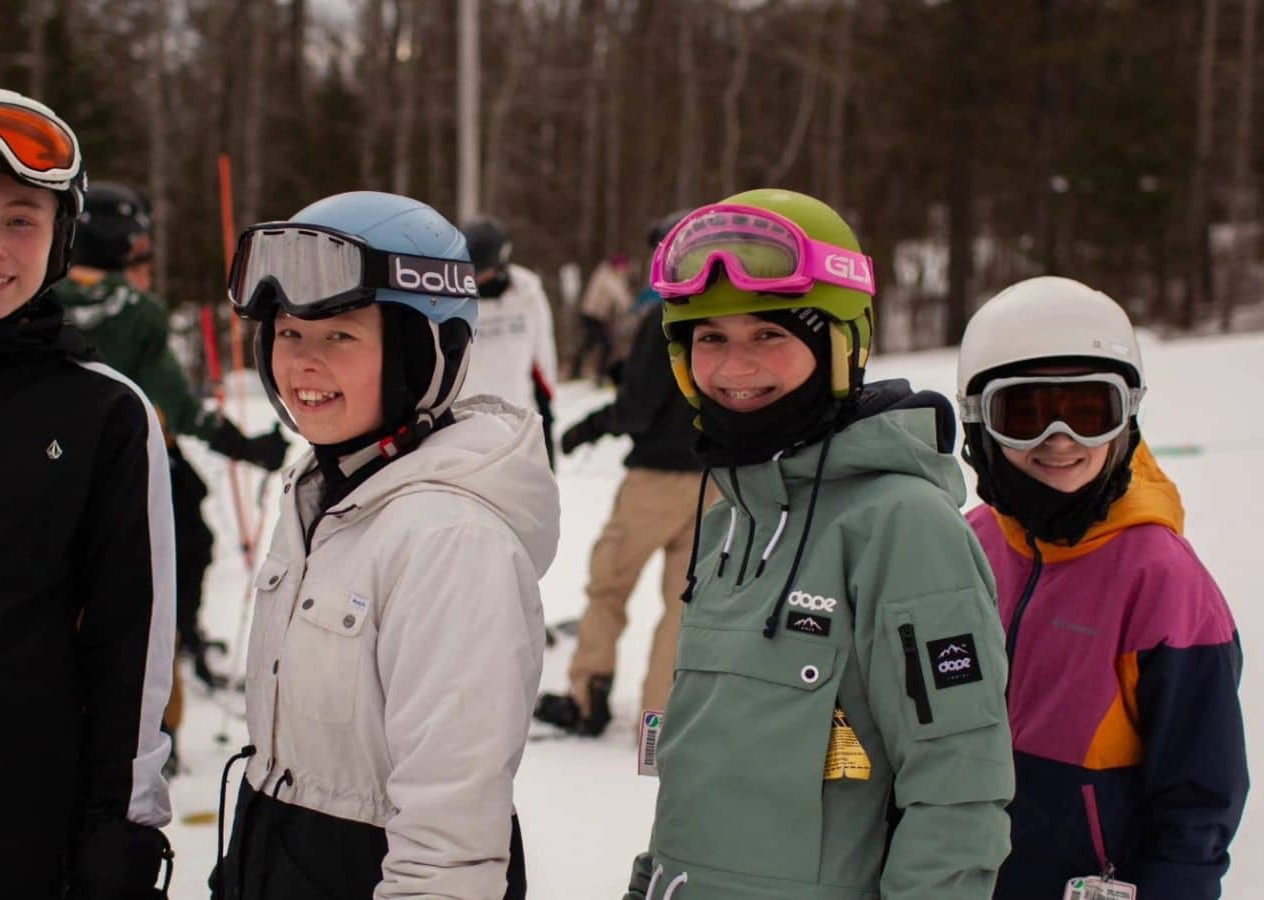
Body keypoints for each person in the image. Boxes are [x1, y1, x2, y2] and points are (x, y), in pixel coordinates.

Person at [624, 189, 1014, 900]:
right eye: (711, 339)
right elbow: (699, 765)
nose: (734, 369)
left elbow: (959, 793)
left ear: (840, 346)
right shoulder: (728, 524)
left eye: (768, 335)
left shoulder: (904, 527)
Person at [213, 191, 559, 899]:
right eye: (288, 334)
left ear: (420, 353)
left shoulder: (451, 542)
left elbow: (449, 843)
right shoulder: (326, 491)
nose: (303, 363)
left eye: (341, 336)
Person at [0, 87, 175, 897]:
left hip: (20, 828)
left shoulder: (105, 414)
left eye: (21, 220)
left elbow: (130, 642)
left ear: (61, 236)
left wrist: (118, 827)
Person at [956, 276, 1248, 900]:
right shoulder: (967, 545)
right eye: (1024, 415)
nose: (1060, 439)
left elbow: (1199, 799)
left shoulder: (1163, 580)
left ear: (1127, 417)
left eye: (1090, 413)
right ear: (979, 421)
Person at [56, 181, 288, 692]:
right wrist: (245, 446)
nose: (146, 261)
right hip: (130, 466)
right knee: (185, 549)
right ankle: (176, 644)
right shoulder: (135, 313)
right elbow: (178, 405)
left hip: (51, 466)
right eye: (140, 249)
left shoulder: (40, 296)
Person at [533, 212, 712, 738]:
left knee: (609, 586)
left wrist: (590, 427)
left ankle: (587, 698)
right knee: (683, 605)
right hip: (713, 481)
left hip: (657, 479)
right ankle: (658, 720)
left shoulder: (665, 319)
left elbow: (636, 410)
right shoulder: (723, 320)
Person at [458, 215, 558, 466]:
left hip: (517, 423)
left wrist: (546, 416)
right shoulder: (453, 297)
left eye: (483, 272)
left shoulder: (527, 294)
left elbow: (542, 358)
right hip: (465, 428)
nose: (478, 279)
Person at [571, 251, 631, 382]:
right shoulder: (606, 275)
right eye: (624, 268)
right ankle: (597, 374)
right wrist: (629, 306)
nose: (625, 271)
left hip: (598, 316)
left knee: (594, 343)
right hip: (593, 315)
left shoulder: (609, 275)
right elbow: (618, 294)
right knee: (603, 344)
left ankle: (580, 372)